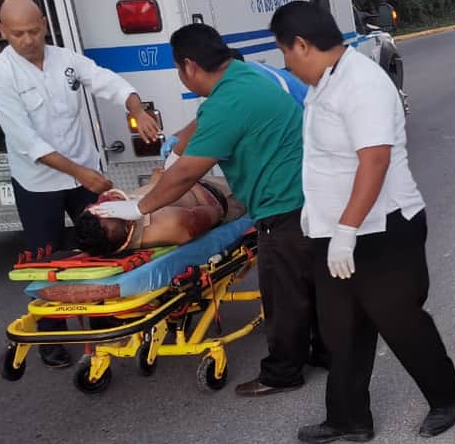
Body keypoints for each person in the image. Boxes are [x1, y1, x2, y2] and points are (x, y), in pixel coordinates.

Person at [91, 23, 326, 397]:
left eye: (178, 71)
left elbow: (186, 174)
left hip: (282, 202)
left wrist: (139, 207)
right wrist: (175, 151)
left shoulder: (228, 100)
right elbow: (198, 130)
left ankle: (283, 372)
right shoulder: (243, 77)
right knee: (307, 282)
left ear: (189, 66)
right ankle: (322, 350)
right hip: (303, 193)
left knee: (282, 292)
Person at [268, 1, 455, 444]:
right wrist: (330, 231)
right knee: (342, 328)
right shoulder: (325, 83)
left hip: (383, 229)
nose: (285, 63)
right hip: (336, 233)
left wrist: (346, 230)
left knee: (400, 321)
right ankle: (349, 417)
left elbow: (374, 161)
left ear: (301, 45)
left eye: (284, 52)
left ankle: (446, 397)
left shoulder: (362, 83)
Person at [0, 0, 160, 368]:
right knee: (45, 258)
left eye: (33, 31)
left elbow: (105, 80)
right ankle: (51, 334)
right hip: (39, 180)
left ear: (45, 24)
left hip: (83, 169)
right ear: (2, 30)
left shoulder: (65, 59)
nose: (27, 40)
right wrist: (81, 173)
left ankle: (103, 317)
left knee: (101, 245)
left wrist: (136, 108)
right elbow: (27, 141)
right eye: (17, 34)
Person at [160, 48, 308, 160]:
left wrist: (174, 160)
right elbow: (207, 120)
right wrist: (178, 137)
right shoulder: (244, 76)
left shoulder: (254, 87)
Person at [74, 169, 245, 255]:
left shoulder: (113, 215)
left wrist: (156, 182)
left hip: (184, 181)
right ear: (127, 227)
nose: (106, 203)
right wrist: (185, 178)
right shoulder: (170, 225)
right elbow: (217, 211)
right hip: (223, 193)